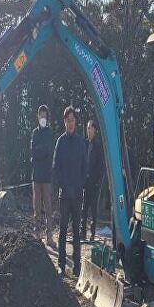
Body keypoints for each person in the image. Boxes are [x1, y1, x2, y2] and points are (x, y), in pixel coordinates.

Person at [53, 106, 87, 277]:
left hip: (77, 195)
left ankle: (77, 266)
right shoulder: (60, 142)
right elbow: (56, 167)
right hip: (64, 194)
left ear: (75, 122)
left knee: (76, 232)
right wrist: (64, 186)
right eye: (68, 120)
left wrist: (79, 186)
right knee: (62, 230)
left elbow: (84, 168)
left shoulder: (81, 142)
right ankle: (61, 264)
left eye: (73, 120)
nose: (70, 123)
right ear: (64, 122)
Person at [30, 105, 55, 247]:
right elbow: (33, 152)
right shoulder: (34, 133)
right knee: (36, 207)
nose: (43, 118)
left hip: (46, 176)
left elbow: (47, 151)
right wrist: (40, 151)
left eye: (45, 116)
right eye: (41, 116)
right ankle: (37, 234)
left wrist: (39, 152)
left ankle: (49, 236)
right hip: (36, 176)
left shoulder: (49, 132)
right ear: (37, 117)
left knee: (48, 208)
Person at [81, 120, 104, 241]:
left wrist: (97, 180)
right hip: (84, 181)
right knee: (83, 208)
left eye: (90, 128)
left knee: (93, 209)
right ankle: (83, 233)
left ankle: (93, 233)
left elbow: (101, 165)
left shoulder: (98, 145)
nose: (88, 130)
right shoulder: (84, 144)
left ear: (94, 130)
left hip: (94, 182)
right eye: (87, 128)